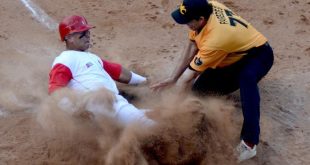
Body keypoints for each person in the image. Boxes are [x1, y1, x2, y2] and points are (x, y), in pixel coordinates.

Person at [151, 0, 274, 162]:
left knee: (247, 78)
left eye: (188, 20)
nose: (186, 23)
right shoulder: (206, 6)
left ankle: (250, 143)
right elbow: (191, 47)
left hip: (259, 56)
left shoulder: (216, 40)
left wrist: (172, 112)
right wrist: (173, 78)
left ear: (201, 19)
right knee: (199, 94)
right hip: (232, 55)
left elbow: (188, 77)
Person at [49, 15, 154, 126]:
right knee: (152, 126)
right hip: (102, 104)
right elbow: (55, 90)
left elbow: (119, 72)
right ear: (69, 38)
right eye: (83, 33)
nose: (88, 36)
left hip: (108, 108)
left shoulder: (92, 58)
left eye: (88, 32)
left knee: (155, 114)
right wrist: (73, 110)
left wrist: (147, 81)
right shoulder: (64, 59)